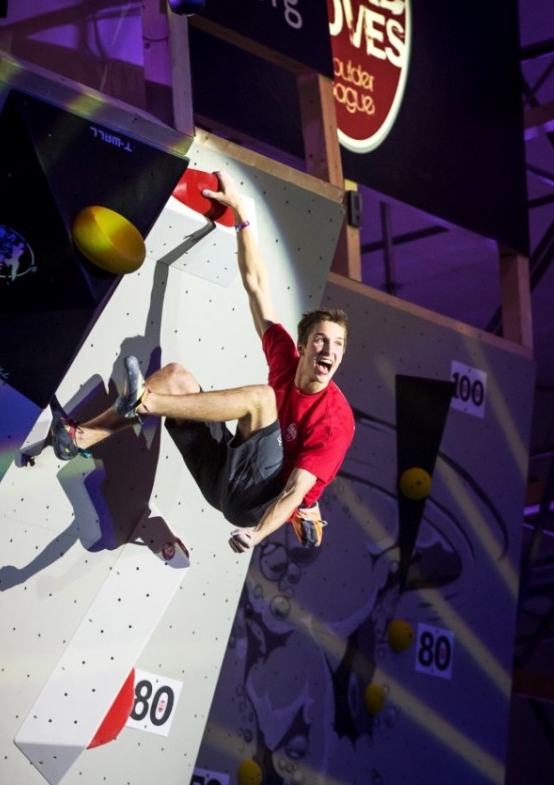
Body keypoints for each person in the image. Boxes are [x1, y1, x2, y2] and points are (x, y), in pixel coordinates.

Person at [52, 171, 355, 553]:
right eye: (321, 341)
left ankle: (145, 402)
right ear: (304, 345)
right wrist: (243, 215)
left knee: (263, 399)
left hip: (256, 505)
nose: (329, 351)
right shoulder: (284, 356)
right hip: (222, 478)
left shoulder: (335, 422)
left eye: (338, 346)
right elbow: (256, 285)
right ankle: (80, 437)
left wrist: (257, 535)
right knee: (177, 377)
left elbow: (295, 491)